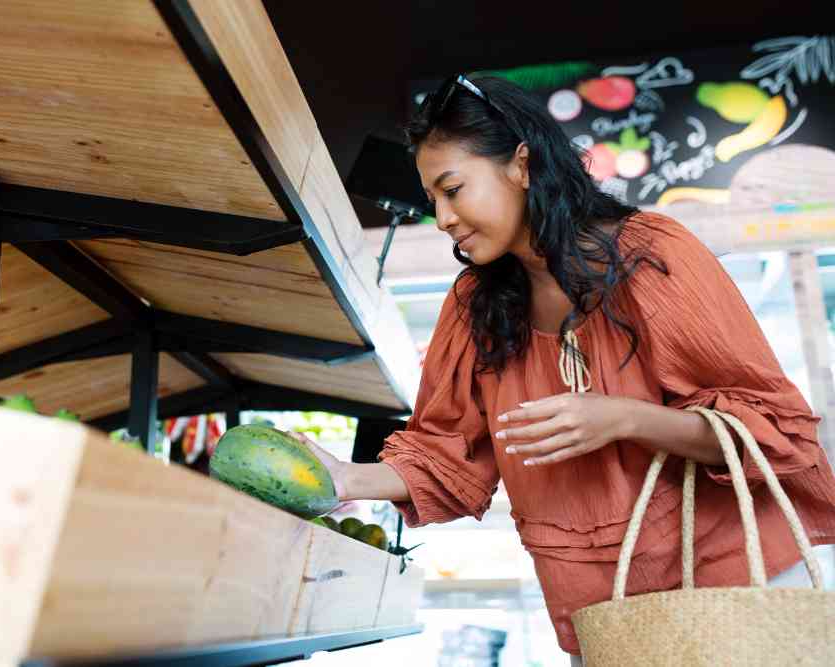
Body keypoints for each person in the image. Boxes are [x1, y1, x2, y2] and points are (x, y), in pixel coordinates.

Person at [295, 74, 835, 663]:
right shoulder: (473, 305)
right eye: (433, 200)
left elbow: (774, 431)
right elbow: (444, 458)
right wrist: (342, 479)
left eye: (453, 189)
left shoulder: (652, 255)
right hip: (604, 618)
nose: (443, 218)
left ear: (521, 165)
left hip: (735, 592)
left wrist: (627, 418)